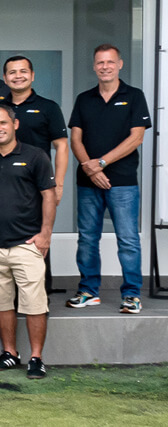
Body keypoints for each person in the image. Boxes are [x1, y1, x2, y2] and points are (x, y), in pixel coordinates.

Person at [0, 104, 56, 380]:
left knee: (35, 305)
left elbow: (49, 195)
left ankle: (36, 358)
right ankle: (9, 353)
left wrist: (45, 234)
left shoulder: (35, 156)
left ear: (15, 125)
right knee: (1, 303)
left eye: (3, 123)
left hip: (26, 245)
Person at [67, 44, 151, 314]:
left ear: (120, 64)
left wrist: (101, 163)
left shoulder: (134, 96)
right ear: (94, 66)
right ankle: (89, 291)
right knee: (87, 239)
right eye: (100, 62)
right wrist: (91, 170)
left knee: (128, 240)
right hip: (87, 182)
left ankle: (132, 295)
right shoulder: (84, 99)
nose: (105, 67)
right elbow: (75, 139)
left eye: (110, 62)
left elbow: (136, 138)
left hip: (123, 182)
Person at [2, 55, 68, 293]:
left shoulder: (49, 107)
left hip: (38, 185)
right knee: (3, 238)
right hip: (3, 183)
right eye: (12, 72)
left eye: (23, 71)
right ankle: (6, 297)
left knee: (39, 238)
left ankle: (40, 295)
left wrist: (58, 184)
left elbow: (61, 146)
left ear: (32, 75)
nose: (18, 76)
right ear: (5, 78)